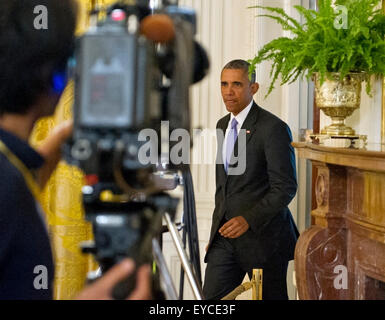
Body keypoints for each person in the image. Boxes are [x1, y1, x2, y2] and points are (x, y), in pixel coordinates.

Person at [0, 0, 151, 300]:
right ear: (52, 74)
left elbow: (19, 178)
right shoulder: (7, 190)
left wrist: (58, 141)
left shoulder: (10, 170)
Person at [203, 59, 299, 300]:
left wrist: (248, 219)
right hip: (224, 240)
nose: (228, 91)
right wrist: (215, 232)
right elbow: (224, 186)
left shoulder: (273, 128)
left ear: (253, 88)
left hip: (264, 240)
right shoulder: (222, 125)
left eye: (237, 84)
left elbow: (285, 187)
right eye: (224, 84)